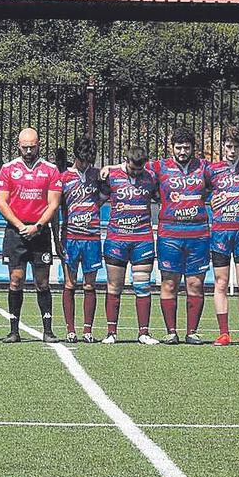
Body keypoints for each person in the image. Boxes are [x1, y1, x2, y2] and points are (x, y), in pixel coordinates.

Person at [0, 127, 64, 342]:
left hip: (40, 232)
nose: (28, 150)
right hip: (16, 232)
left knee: (42, 281)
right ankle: (13, 330)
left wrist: (38, 226)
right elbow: (1, 202)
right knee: (16, 280)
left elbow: (54, 204)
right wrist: (19, 225)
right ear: (18, 145)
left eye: (31, 147)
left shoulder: (51, 170)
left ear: (38, 145)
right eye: (24, 147)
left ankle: (48, 330)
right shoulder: (8, 169)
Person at [147, 130, 213, 346]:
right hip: (169, 236)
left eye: (186, 147)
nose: (182, 152)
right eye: (178, 147)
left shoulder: (204, 167)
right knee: (169, 283)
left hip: (199, 235)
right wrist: (112, 168)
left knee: (195, 284)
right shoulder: (159, 167)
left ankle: (192, 332)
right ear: (171, 147)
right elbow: (134, 166)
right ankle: (171, 332)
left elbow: (226, 176)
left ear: (193, 148)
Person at [99, 147, 157, 344]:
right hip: (117, 238)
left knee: (142, 286)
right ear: (126, 161)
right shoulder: (111, 176)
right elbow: (96, 200)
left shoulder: (150, 177)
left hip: (142, 239)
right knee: (115, 286)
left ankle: (143, 333)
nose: (136, 173)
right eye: (133, 170)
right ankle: (111, 333)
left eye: (140, 170)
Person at [207, 130, 239, 345]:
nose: (232, 150)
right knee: (221, 282)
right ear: (222, 146)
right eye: (228, 146)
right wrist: (209, 200)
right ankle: (223, 333)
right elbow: (196, 189)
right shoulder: (212, 170)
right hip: (220, 232)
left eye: (236, 146)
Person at [57, 139, 107, 343]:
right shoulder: (64, 178)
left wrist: (93, 208)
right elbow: (56, 207)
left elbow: (106, 194)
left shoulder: (97, 175)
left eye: (89, 161)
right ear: (75, 156)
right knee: (70, 283)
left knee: (89, 285)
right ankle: (70, 330)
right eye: (82, 160)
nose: (86, 164)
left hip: (92, 237)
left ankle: (87, 331)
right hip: (71, 237)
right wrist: (57, 237)